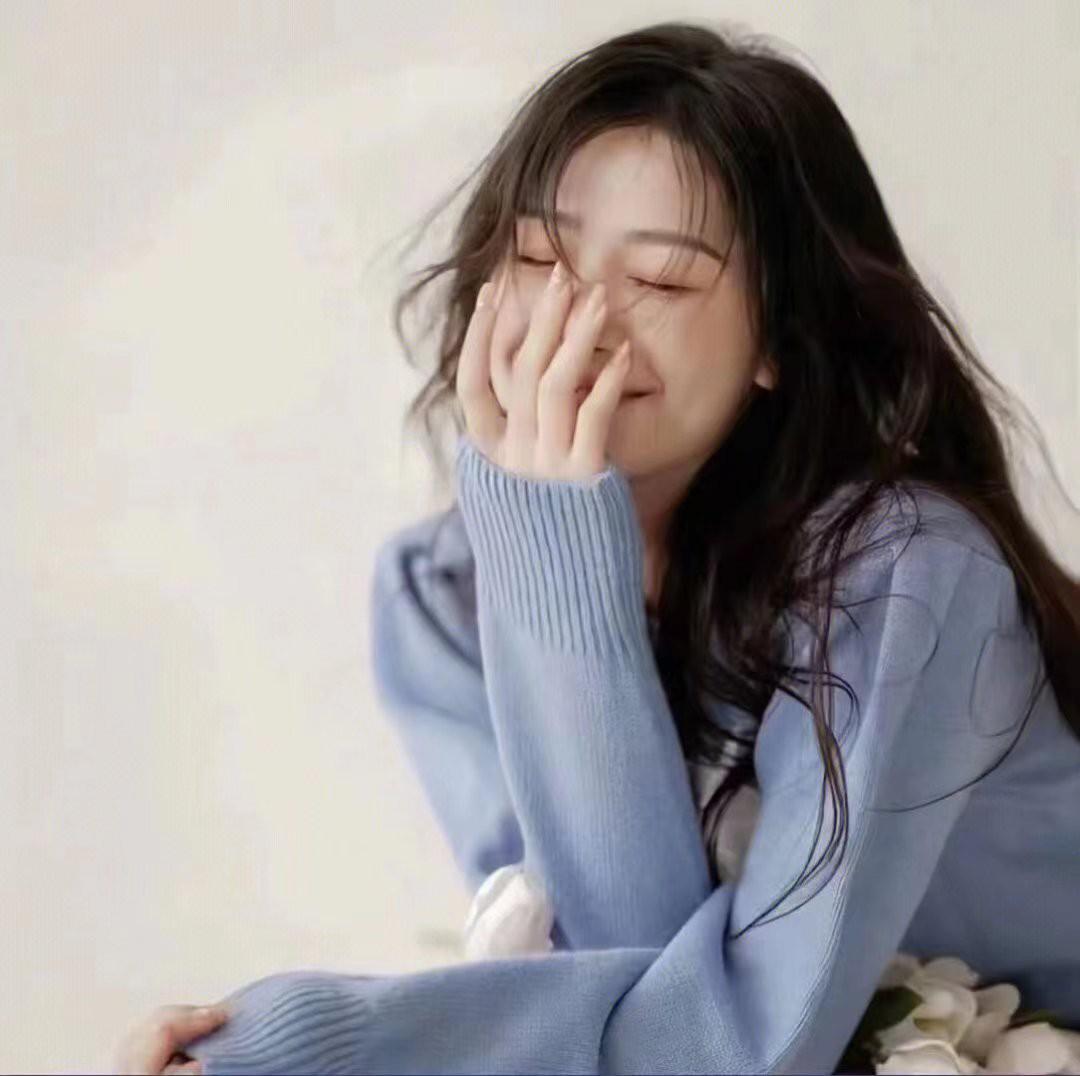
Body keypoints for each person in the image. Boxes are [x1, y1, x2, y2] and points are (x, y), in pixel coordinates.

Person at [115, 19, 1080, 1076]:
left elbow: (744, 1048)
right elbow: (606, 983)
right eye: (538, 257)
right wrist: (548, 556)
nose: (579, 324)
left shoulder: (905, 574)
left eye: (660, 280)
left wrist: (306, 1045)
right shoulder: (439, 598)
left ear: (781, 336)